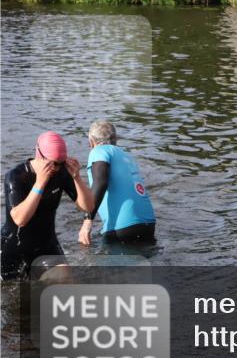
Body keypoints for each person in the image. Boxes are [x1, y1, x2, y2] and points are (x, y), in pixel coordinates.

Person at [2, 132, 95, 280]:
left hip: (46, 246)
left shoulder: (62, 173)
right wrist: (40, 183)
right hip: (14, 248)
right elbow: (20, 219)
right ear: (39, 155)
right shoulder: (16, 176)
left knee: (65, 278)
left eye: (62, 163)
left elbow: (88, 207)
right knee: (14, 300)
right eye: (53, 163)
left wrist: (77, 178)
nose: (57, 168)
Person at [78, 120, 156, 246]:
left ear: (91, 141)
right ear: (115, 139)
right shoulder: (127, 156)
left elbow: (101, 182)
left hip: (123, 228)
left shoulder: (99, 151)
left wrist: (87, 221)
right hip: (149, 224)